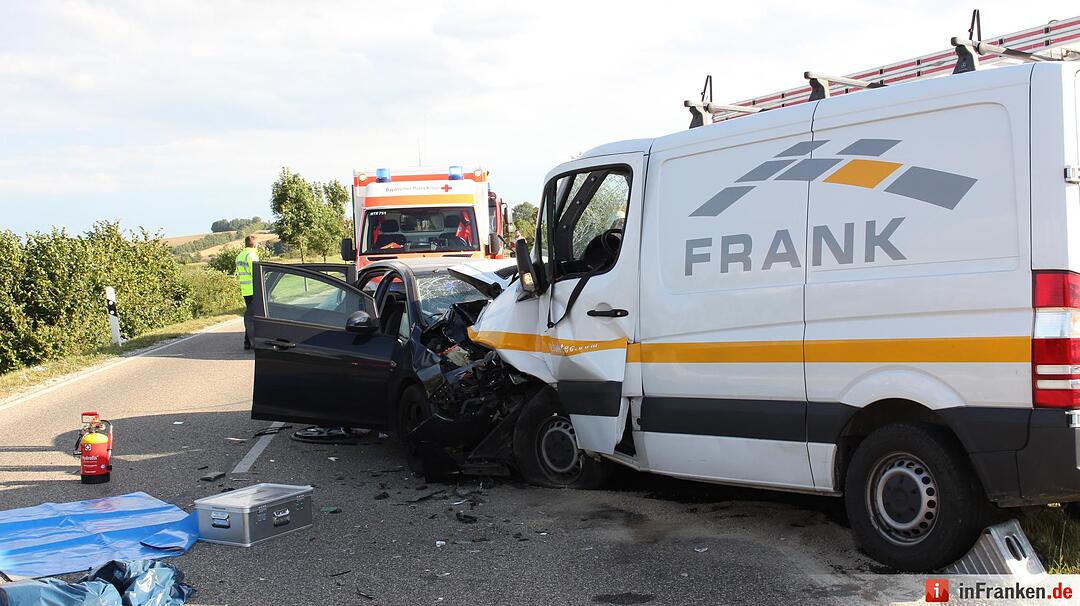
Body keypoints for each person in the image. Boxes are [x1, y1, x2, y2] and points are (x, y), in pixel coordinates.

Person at [235, 235, 259, 350]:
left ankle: (247, 342)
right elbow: (256, 274)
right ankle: (250, 341)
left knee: (250, 316)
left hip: (245, 290)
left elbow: (239, 273)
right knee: (254, 316)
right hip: (254, 289)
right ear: (254, 244)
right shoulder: (252, 255)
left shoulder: (240, 256)